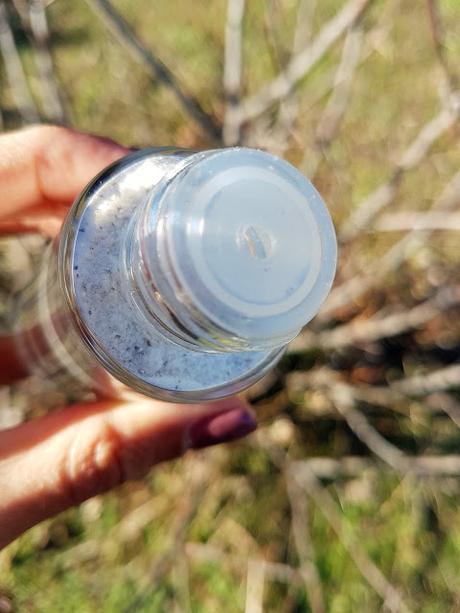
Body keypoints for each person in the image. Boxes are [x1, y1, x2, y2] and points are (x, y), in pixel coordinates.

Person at [0, 125, 257, 550]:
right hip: (45, 326)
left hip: (72, 369)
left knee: (37, 360)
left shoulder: (227, 357)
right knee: (29, 343)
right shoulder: (97, 231)